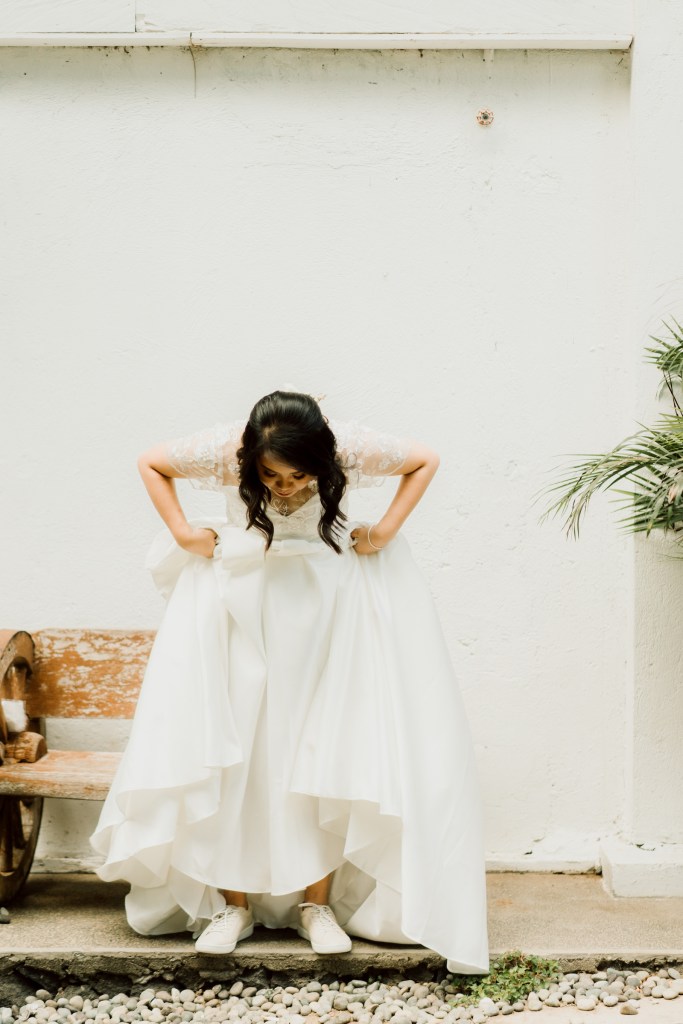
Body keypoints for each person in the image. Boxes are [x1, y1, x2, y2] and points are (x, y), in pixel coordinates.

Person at [91, 390, 489, 973]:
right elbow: (151, 461)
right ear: (250, 458)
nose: (284, 488)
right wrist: (183, 533)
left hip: (326, 604)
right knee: (236, 748)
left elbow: (425, 459)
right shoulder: (229, 447)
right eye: (270, 475)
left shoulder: (347, 446)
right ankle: (233, 906)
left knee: (323, 743)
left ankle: (316, 904)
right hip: (241, 602)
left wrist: (383, 533)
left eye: (299, 476)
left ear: (322, 459)